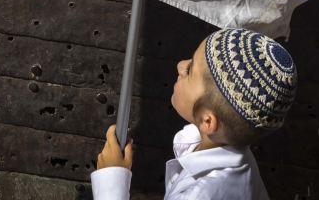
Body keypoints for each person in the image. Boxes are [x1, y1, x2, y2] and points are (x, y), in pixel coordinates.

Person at [92, 28, 297, 199]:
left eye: (190, 70)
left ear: (208, 121)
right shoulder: (239, 159)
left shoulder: (201, 195)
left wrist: (111, 182)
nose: (180, 65)